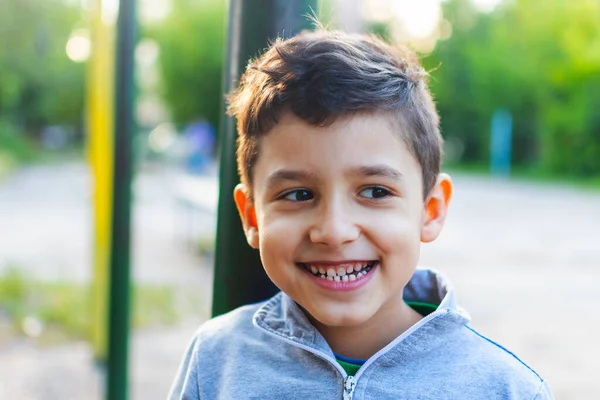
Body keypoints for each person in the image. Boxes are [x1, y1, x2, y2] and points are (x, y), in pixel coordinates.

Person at [168, 29, 554, 400]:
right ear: (252, 217)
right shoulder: (216, 362)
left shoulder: (505, 389)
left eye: (374, 192)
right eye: (299, 194)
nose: (334, 231)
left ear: (430, 209)